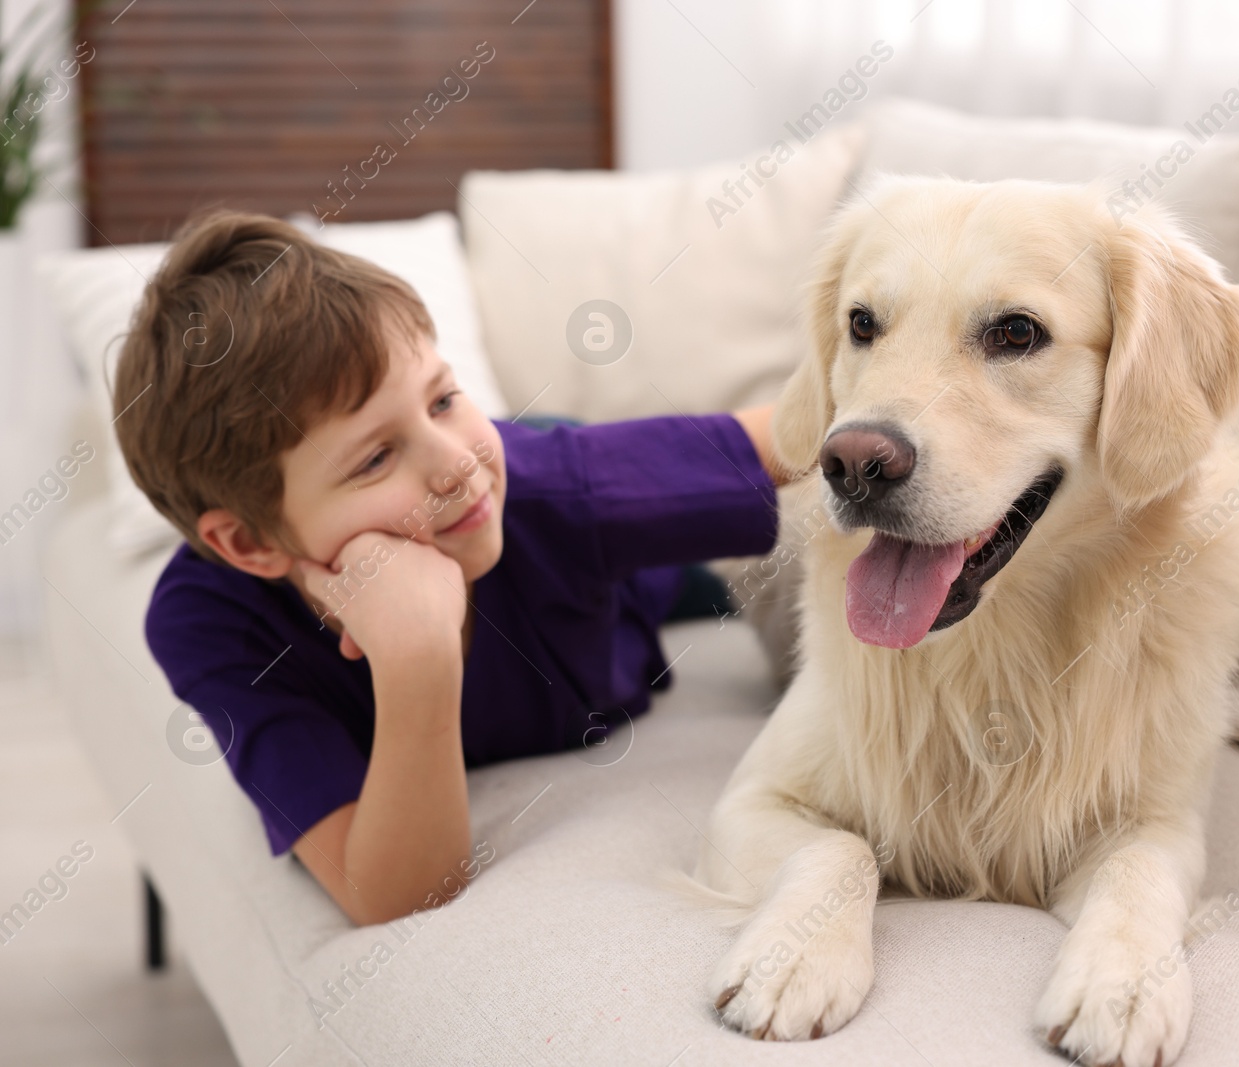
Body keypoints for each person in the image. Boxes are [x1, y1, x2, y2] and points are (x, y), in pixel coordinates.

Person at [113, 210, 790, 925]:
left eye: (441, 397)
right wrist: (417, 662)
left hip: (557, 489)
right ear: (250, 545)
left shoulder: (556, 488)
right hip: (521, 500)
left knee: (718, 572)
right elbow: (396, 894)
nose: (453, 461)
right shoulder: (210, 622)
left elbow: (795, 437)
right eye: (375, 457)